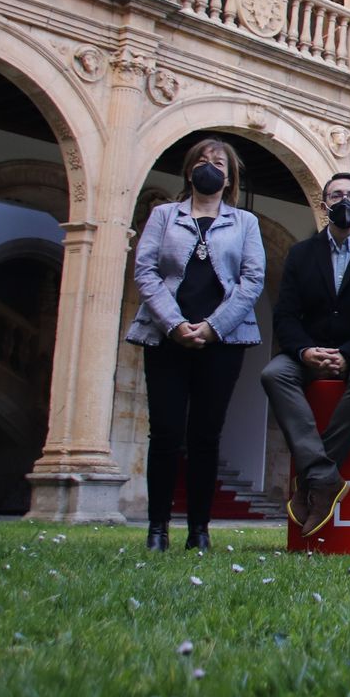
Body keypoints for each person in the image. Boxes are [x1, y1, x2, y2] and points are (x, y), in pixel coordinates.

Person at [125, 138, 265, 551]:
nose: (210, 167)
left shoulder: (245, 223)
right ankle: (157, 528)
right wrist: (174, 323)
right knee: (165, 432)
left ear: (229, 176)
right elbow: (146, 269)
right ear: (189, 171)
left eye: (218, 163)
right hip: (166, 336)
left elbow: (252, 280)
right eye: (202, 161)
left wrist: (212, 327)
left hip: (222, 341)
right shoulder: (164, 215)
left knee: (206, 434)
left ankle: (200, 530)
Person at [260, 172, 350, 541]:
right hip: (309, 350)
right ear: (324, 205)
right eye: (336, 195)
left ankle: (313, 479)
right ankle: (324, 477)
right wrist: (306, 351)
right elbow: (285, 315)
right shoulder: (300, 254)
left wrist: (349, 354)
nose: (345, 202)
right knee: (274, 374)